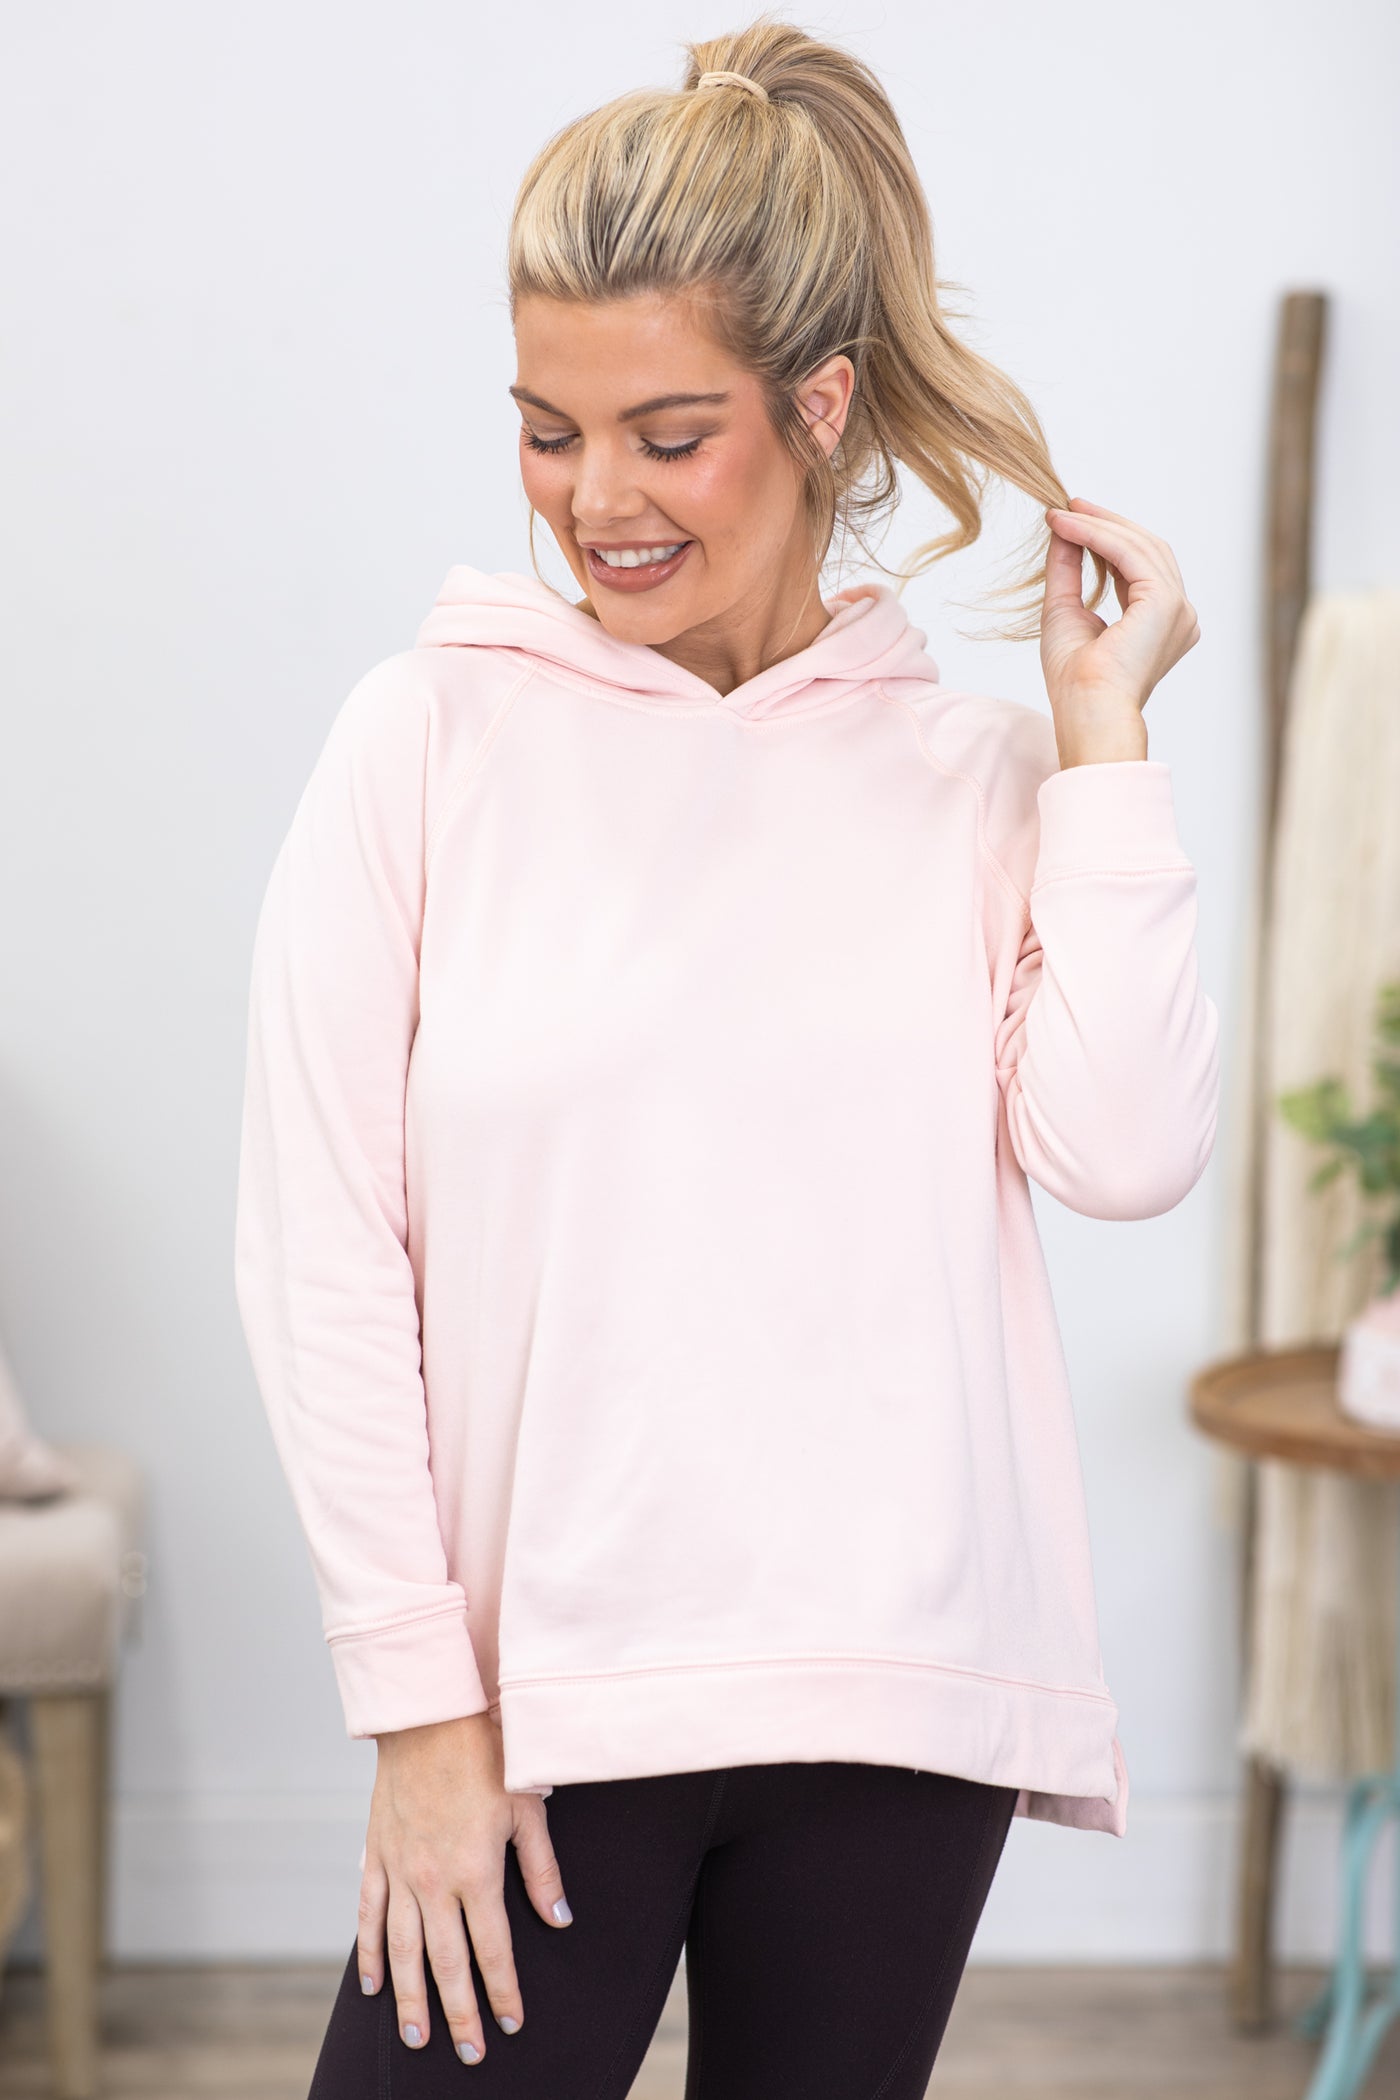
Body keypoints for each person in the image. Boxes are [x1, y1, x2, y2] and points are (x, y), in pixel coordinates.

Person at [233, 16, 1219, 2096]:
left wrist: (1103, 749)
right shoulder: (428, 742)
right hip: (544, 1711)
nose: (596, 500)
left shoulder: (974, 782)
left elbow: (1126, 1150)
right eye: (548, 431)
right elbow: (321, 1253)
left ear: (816, 403)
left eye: (668, 435)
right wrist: (416, 1706)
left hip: (895, 1703)